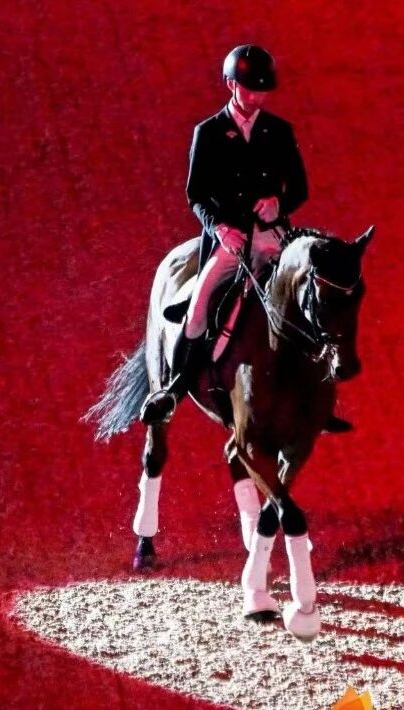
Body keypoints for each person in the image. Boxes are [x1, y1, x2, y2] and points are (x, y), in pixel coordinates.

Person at [140, 44, 318, 425]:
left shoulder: (279, 131)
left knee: (309, 298)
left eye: (261, 92)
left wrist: (278, 204)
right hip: (230, 241)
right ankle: (174, 389)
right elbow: (196, 195)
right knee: (198, 307)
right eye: (248, 90)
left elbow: (300, 187)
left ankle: (316, 393)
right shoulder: (208, 133)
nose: (255, 99)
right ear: (230, 85)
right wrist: (220, 229)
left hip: (272, 236)